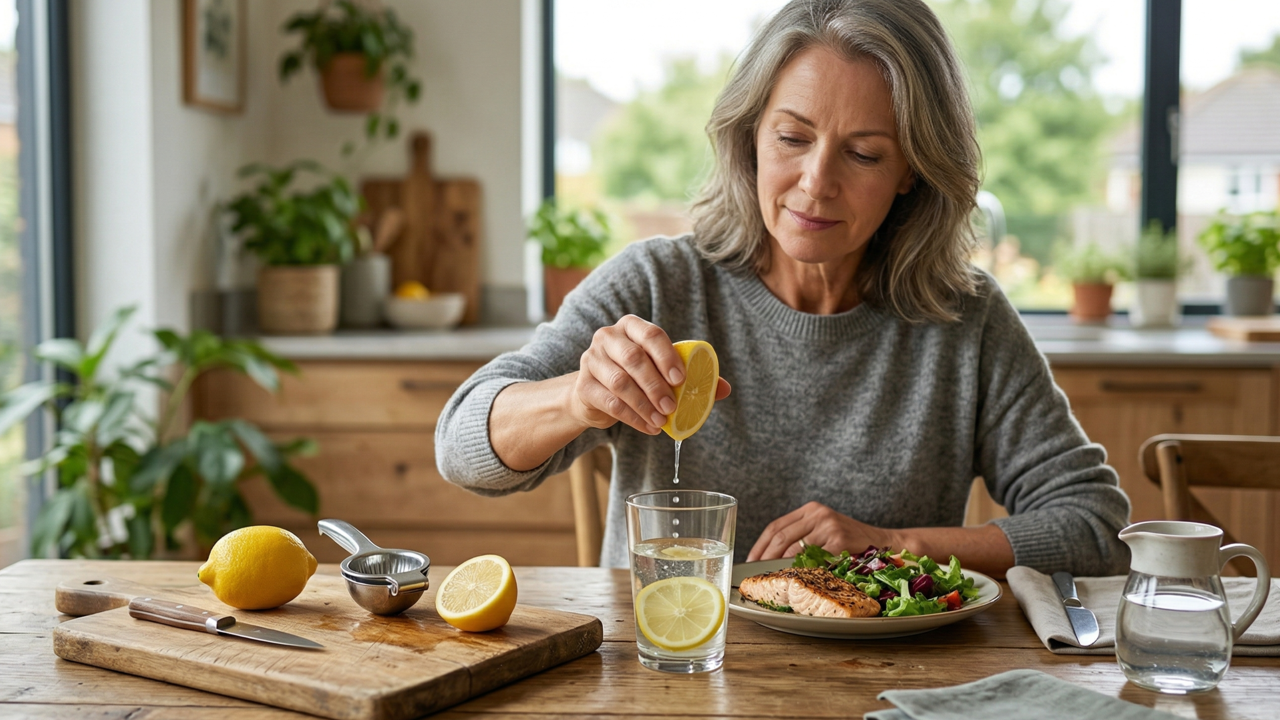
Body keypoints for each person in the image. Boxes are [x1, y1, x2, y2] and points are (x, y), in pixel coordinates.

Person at [436, 0, 1131, 577]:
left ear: (912, 171)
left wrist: (893, 546)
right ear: (750, 137)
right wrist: (577, 397)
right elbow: (461, 450)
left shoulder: (964, 319)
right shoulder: (658, 283)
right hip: (673, 666)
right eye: (793, 138)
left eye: (863, 154)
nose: (816, 183)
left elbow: (1097, 527)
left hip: (891, 680)